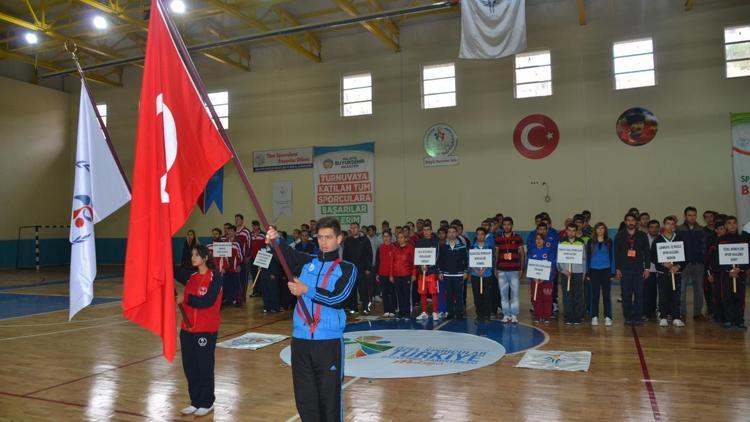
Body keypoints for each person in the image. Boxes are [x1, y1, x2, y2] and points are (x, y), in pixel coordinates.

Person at [266, 218, 356, 421]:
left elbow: (338, 298)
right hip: (300, 341)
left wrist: (306, 289)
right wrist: (276, 240)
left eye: (329, 237)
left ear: (339, 239)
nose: (324, 242)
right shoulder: (308, 263)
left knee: (329, 400)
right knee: (305, 400)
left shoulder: (348, 268)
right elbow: (287, 256)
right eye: (320, 237)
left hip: (328, 344)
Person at [177, 245, 223, 417]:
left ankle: (207, 402)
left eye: (197, 255)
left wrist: (186, 298)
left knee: (204, 366)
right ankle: (195, 401)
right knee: (190, 367)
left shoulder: (215, 277)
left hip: (205, 330)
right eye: (192, 255)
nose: (193, 257)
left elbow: (207, 302)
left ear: (205, 258)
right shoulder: (191, 277)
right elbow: (174, 270)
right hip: (187, 329)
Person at [615, 213, 650, 326]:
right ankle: (628, 317)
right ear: (625, 222)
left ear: (636, 222)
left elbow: (647, 253)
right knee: (626, 294)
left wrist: (647, 268)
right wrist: (617, 268)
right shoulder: (619, 235)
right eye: (628, 220)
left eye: (632, 220)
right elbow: (616, 254)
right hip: (625, 269)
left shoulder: (642, 235)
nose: (630, 222)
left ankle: (638, 317)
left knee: (639, 294)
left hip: (639, 268)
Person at [651, 216, 686, 327]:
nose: (670, 226)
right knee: (663, 295)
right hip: (663, 273)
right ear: (664, 225)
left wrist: (678, 266)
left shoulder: (680, 238)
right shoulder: (658, 240)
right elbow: (653, 256)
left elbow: (686, 255)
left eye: (672, 224)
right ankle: (663, 316)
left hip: (676, 272)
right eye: (668, 223)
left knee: (676, 295)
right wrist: (663, 263)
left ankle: (676, 317)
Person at [716, 216, 748, 329]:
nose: (732, 225)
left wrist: (740, 269)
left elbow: (747, 257)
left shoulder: (744, 239)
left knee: (740, 297)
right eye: (729, 223)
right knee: (727, 297)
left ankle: (739, 320)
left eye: (734, 223)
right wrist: (729, 270)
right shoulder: (720, 240)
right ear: (725, 226)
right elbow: (717, 259)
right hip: (726, 274)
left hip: (740, 273)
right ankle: (728, 319)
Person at [677, 206, 707, 321]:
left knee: (699, 289)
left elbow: (704, 246)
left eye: (694, 215)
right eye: (689, 215)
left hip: (698, 264)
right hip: (683, 265)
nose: (692, 217)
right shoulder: (679, 229)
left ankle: (697, 313)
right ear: (685, 216)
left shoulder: (701, 229)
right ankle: (682, 313)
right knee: (682, 289)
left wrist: (703, 260)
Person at [495, 217, 525, 324]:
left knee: (515, 294)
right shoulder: (498, 238)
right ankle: (506, 314)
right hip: (501, 270)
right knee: (503, 294)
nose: (506, 226)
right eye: (504, 224)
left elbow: (522, 253)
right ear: (502, 226)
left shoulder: (517, 237)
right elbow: (496, 253)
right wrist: (495, 267)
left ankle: (514, 315)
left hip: (514, 270)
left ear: (512, 225)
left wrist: (522, 268)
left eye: (508, 224)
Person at [558, 223, 587, 325]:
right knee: (567, 295)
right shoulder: (562, 242)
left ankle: (577, 316)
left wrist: (584, 272)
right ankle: (568, 316)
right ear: (566, 231)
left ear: (576, 231)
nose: (571, 232)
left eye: (573, 230)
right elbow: (559, 259)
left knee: (578, 295)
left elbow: (584, 259)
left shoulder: (581, 242)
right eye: (569, 230)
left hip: (578, 272)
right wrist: (563, 271)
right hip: (566, 273)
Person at [587, 222, 615, 326]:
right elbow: (588, 257)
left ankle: (608, 317)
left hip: (606, 270)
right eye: (598, 228)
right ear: (595, 230)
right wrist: (588, 272)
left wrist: (612, 272)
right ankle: (594, 316)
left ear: (605, 230)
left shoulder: (609, 241)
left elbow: (612, 257)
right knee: (595, 295)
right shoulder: (590, 242)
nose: (600, 230)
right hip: (594, 270)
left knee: (606, 295)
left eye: (602, 228)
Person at [438, 226, 469, 320]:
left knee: (459, 295)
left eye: (453, 232)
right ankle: (450, 313)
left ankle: (459, 313)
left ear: (457, 233)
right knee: (449, 295)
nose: (451, 234)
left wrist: (465, 271)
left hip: (459, 274)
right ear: (447, 234)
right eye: (449, 232)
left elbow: (466, 260)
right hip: (447, 275)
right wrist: (440, 272)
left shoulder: (462, 246)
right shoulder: (443, 247)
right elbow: (441, 260)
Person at [342, 222, 373, 315]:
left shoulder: (365, 240)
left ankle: (365, 308)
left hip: (362, 269)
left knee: (364, 291)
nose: (353, 229)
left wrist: (368, 268)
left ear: (359, 228)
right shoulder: (347, 241)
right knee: (352, 290)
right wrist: (346, 269)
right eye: (351, 228)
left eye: (355, 227)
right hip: (351, 270)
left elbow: (369, 255)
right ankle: (353, 308)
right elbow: (345, 256)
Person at [527, 233, 556, 323]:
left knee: (547, 298)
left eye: (541, 239)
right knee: (537, 298)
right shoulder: (532, 251)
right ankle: (538, 316)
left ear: (544, 241)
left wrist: (544, 276)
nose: (538, 241)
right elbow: (528, 264)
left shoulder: (549, 251)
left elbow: (552, 264)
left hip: (547, 279)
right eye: (537, 239)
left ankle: (546, 316)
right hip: (535, 280)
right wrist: (533, 277)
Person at [415, 223, 440, 321]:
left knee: (433, 293)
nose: (426, 232)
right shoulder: (419, 242)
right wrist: (421, 265)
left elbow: (437, 256)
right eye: (424, 230)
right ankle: (424, 312)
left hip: (432, 272)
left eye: (428, 230)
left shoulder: (435, 241)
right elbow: (418, 256)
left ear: (431, 230)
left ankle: (434, 312)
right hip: (422, 272)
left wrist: (428, 266)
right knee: (423, 292)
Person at [470, 227, 495, 320]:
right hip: (475, 275)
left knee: (487, 296)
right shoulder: (472, 247)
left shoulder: (489, 247)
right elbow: (470, 261)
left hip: (487, 275)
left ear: (485, 236)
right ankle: (479, 314)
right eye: (478, 234)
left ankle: (487, 314)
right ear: (476, 236)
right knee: (477, 296)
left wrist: (483, 270)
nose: (480, 236)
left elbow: (491, 260)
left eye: (482, 234)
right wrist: (477, 271)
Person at [705, 219, 726, 323]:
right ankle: (717, 314)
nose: (723, 230)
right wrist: (709, 273)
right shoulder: (711, 241)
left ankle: (726, 315)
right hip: (715, 272)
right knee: (716, 294)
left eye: (724, 228)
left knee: (726, 294)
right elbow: (708, 259)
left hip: (726, 273)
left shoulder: (729, 240)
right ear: (716, 230)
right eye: (721, 229)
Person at [391, 231, 416, 319]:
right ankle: (401, 311)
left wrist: (413, 274)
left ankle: (408, 312)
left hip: (407, 275)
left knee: (407, 294)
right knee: (399, 294)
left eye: (401, 237)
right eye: (398, 238)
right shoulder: (395, 249)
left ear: (405, 238)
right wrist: (391, 275)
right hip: (397, 275)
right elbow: (392, 263)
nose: (400, 239)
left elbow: (414, 262)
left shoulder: (410, 248)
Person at [375, 231, 397, 317]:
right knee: (384, 293)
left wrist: (394, 274)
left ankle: (392, 310)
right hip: (382, 274)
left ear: (391, 237)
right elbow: (378, 261)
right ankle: (386, 310)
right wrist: (377, 273)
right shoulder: (380, 248)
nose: (386, 238)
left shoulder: (394, 248)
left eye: (387, 236)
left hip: (391, 274)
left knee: (392, 292)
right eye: (384, 236)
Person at [643, 220, 661, 321]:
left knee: (658, 293)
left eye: (656, 227)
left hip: (661, 270)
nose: (654, 229)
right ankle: (646, 313)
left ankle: (656, 312)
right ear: (648, 228)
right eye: (652, 227)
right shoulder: (643, 238)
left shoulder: (662, 239)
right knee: (647, 293)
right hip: (648, 270)